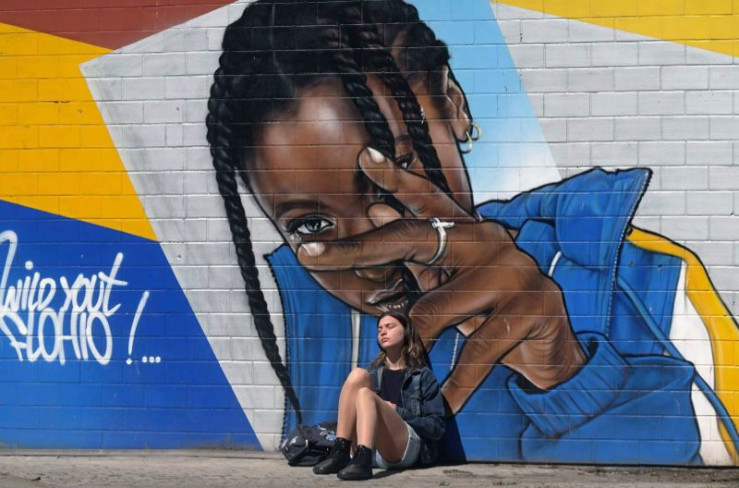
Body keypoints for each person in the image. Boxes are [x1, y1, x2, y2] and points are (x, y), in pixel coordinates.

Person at [206, 0, 739, 465]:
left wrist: (570, 380)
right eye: (311, 224)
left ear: (454, 105)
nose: (371, 256)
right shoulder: (304, 319)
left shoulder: (650, 286)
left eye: (396, 173)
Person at [312, 312, 444, 480]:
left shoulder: (422, 376)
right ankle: (340, 452)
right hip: (372, 450)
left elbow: (437, 428)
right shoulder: (372, 374)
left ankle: (363, 462)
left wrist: (398, 411)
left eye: (390, 326)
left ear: (406, 332)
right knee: (357, 374)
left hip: (403, 448)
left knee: (365, 394)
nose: (383, 332)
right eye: (380, 329)